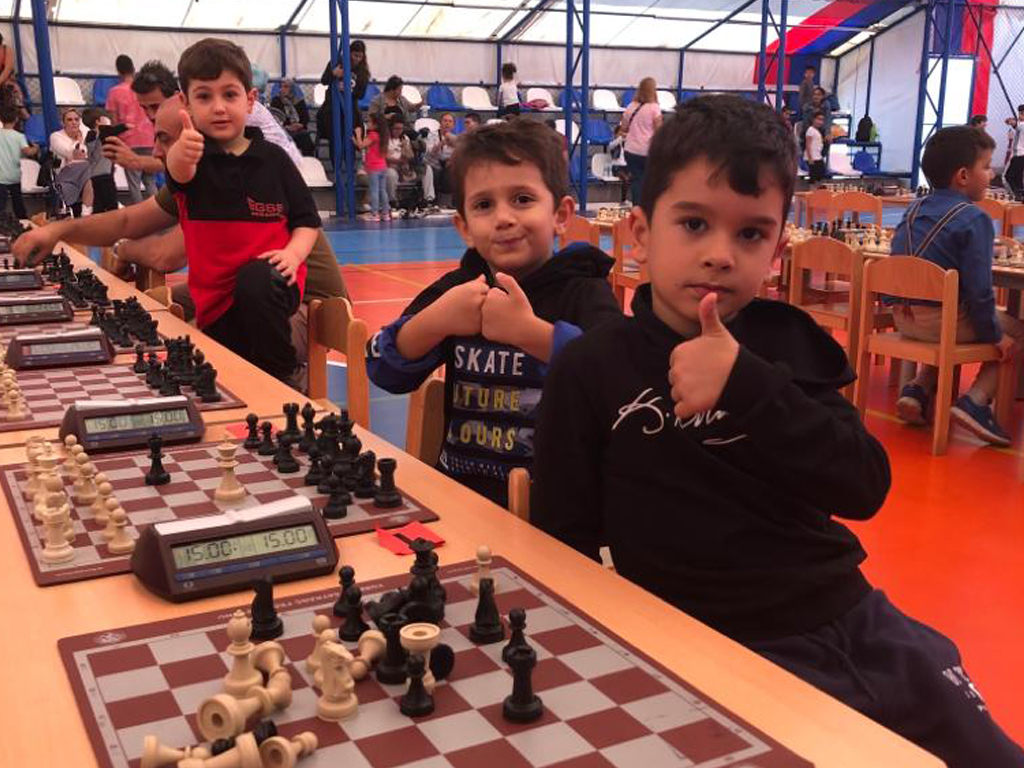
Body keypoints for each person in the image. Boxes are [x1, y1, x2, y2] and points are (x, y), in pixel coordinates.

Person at [530, 94, 1024, 768]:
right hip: (711, 646)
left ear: (777, 250)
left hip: (852, 615)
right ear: (641, 232)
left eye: (750, 234)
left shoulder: (790, 341)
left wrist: (747, 384)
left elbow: (863, 485)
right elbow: (563, 544)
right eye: (694, 224)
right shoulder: (592, 366)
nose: (719, 255)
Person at [12, 95, 348, 391]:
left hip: (307, 303)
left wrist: (123, 250)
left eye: (163, 138)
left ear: (194, 138)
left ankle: (285, 388)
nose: (156, 150)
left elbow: (165, 256)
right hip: (244, 286)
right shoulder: (189, 179)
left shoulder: (231, 181)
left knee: (190, 342)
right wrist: (58, 231)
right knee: (162, 307)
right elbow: (127, 221)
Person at [366, 119, 620, 506]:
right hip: (461, 503)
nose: (503, 218)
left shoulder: (584, 290)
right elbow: (383, 369)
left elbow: (620, 380)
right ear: (464, 227)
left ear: (561, 214)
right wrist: (436, 321)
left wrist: (530, 333)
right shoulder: (459, 290)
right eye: (484, 205)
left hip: (559, 513)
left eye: (522, 199)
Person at [165, 38, 321, 383]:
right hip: (216, 299)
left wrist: (293, 255)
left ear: (250, 100)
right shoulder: (193, 159)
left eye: (230, 95)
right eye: (204, 97)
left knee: (256, 281)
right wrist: (180, 151)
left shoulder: (275, 160)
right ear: (185, 103)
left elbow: (307, 221)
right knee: (230, 369)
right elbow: (179, 173)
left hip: (273, 282)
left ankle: (284, 377)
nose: (219, 107)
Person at [891, 126, 1024, 446]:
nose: (992, 174)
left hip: (903, 317)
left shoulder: (912, 210)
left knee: (952, 318)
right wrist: (996, 336)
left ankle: (917, 388)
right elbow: (980, 293)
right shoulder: (974, 218)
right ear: (963, 176)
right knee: (1016, 333)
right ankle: (975, 401)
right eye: (987, 166)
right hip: (942, 322)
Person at [105, 54, 156, 203]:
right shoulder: (143, 90)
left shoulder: (114, 92)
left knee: (134, 182)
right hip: (149, 137)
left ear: (118, 71)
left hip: (128, 140)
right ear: (133, 69)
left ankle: (140, 212)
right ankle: (157, 210)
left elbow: (114, 122)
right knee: (149, 179)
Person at [318, 39, 369, 165]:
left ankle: (349, 169)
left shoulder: (363, 72)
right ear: (349, 53)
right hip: (332, 108)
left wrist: (348, 90)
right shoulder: (337, 63)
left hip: (350, 110)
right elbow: (324, 80)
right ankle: (336, 169)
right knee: (335, 140)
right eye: (355, 55)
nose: (357, 59)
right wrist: (333, 73)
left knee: (349, 140)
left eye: (360, 56)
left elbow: (361, 94)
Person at [618, 77, 663, 206]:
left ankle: (637, 207)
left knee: (637, 180)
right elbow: (659, 131)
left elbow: (623, 128)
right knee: (650, 181)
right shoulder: (654, 108)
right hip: (647, 150)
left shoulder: (631, 106)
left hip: (631, 150)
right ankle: (648, 208)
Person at [50, 108, 91, 217]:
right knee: (89, 167)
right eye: (69, 120)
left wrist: (77, 156)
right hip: (64, 174)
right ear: (63, 123)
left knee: (90, 177)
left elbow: (84, 155)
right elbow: (73, 154)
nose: (74, 122)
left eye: (76, 119)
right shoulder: (55, 137)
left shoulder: (86, 134)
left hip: (84, 173)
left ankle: (85, 214)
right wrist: (79, 142)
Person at [0, 103, 36, 219]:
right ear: (16, 119)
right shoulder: (19, 136)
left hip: (0, 177)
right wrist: (36, 148)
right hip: (14, 176)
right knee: (18, 203)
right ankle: (23, 221)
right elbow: (27, 152)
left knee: (1, 205)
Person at [81, 108, 118, 214]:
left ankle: (98, 221)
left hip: (95, 174)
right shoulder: (103, 134)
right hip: (105, 173)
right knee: (111, 203)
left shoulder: (90, 135)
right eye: (104, 118)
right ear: (98, 121)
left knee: (99, 203)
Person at [358, 112, 390, 222]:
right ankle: (385, 213)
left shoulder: (372, 135)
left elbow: (361, 145)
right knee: (383, 190)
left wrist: (358, 134)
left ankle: (375, 213)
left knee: (374, 190)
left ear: (375, 125)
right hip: (382, 166)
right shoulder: (383, 136)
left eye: (369, 122)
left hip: (374, 167)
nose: (367, 123)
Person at [271, 79, 315, 156]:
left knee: (305, 139)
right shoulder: (276, 101)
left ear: (292, 89)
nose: (282, 89)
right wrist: (286, 127)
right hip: (283, 131)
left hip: (298, 131)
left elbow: (305, 118)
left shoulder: (299, 101)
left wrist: (300, 125)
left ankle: (307, 161)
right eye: (281, 87)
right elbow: (275, 117)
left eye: (286, 87)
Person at [424, 112, 456, 207]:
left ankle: (446, 203)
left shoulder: (454, 137)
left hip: (447, 164)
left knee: (452, 171)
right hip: (433, 163)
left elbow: (458, 153)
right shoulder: (432, 135)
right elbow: (430, 152)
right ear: (440, 123)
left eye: (450, 121)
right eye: (445, 121)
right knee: (435, 172)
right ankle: (432, 202)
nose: (447, 123)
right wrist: (442, 143)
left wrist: (451, 160)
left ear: (453, 125)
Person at [384, 114, 416, 207]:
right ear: (391, 128)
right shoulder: (385, 138)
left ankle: (428, 199)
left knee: (427, 169)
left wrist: (405, 147)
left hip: (403, 167)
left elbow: (411, 156)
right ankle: (392, 201)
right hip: (389, 166)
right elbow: (384, 157)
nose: (398, 131)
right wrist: (399, 161)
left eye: (401, 129)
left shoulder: (405, 138)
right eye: (396, 128)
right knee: (391, 174)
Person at [1002, 105, 1024, 198]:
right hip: (1020, 155)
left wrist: (1012, 122)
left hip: (1019, 154)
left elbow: (1016, 125)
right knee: (1017, 178)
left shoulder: (1021, 125)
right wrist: (1012, 122)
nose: (1019, 115)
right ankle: (1020, 196)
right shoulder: (1021, 124)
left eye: (1021, 113)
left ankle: (1017, 195)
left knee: (1008, 177)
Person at [805, 110, 827, 183]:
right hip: (813, 158)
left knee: (819, 177)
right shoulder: (810, 130)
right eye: (818, 119)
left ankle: (817, 189)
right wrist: (810, 158)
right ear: (813, 119)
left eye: (822, 120)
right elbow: (808, 145)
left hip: (818, 156)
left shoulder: (817, 131)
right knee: (813, 179)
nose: (820, 122)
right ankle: (812, 189)